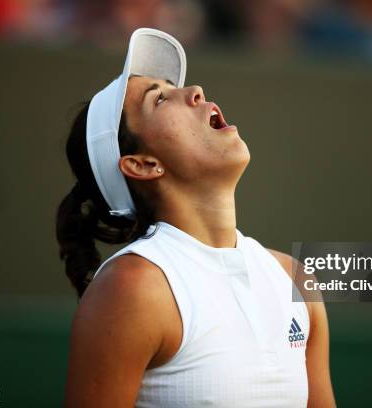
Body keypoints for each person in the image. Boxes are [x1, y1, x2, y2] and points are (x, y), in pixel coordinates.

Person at [57, 28, 335, 407]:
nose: (195, 91)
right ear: (143, 164)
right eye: (159, 99)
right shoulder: (132, 288)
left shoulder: (295, 280)